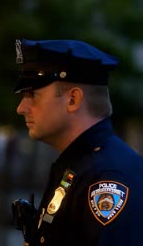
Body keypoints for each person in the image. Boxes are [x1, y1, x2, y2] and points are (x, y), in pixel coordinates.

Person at [12, 39, 143, 245]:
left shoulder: (108, 178)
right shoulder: (79, 165)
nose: (21, 108)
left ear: (73, 100)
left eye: (32, 95)